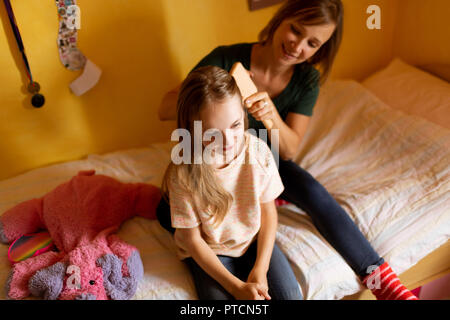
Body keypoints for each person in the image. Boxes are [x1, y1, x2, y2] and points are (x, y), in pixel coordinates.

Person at [158, 0, 417, 300]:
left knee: (311, 190)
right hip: (210, 161)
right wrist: (214, 93)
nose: (298, 46)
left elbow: (290, 150)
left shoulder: (306, 80)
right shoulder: (227, 59)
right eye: (296, 30)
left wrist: (270, 116)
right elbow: (166, 110)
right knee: (172, 207)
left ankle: (377, 275)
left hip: (265, 160)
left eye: (313, 43)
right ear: (281, 19)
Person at [161, 65, 302, 300]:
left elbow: (268, 214)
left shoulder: (258, 152)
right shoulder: (183, 173)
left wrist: (261, 269)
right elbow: (193, 241)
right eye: (212, 132)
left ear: (244, 115)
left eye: (235, 125)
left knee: (290, 296)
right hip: (211, 250)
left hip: (252, 238)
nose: (227, 140)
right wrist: (236, 287)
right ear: (192, 129)